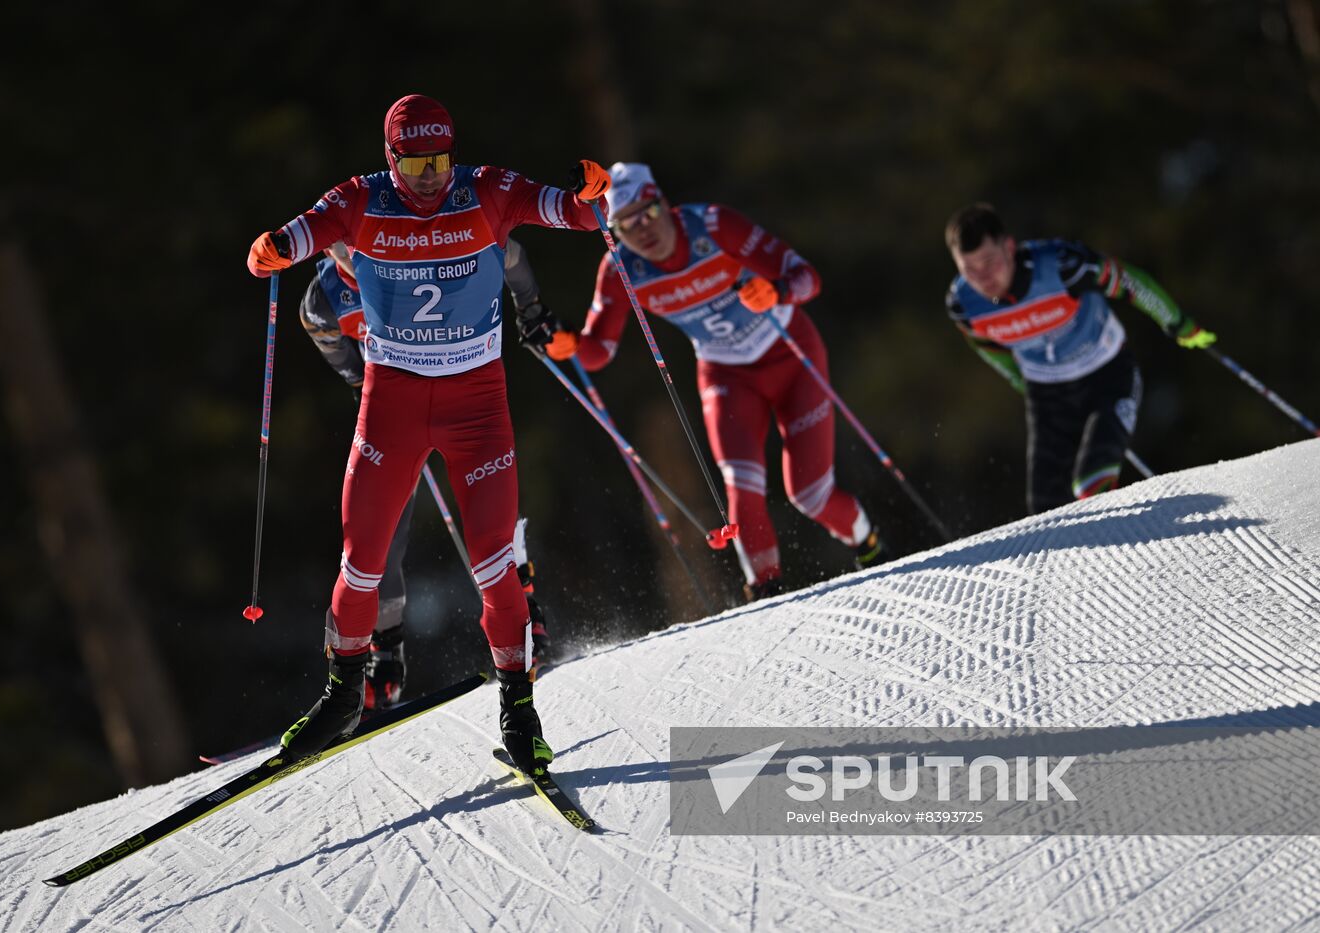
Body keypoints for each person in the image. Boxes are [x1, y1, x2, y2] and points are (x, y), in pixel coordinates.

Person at [247, 93, 609, 777]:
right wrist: (270, 250)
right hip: (393, 404)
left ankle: (520, 708)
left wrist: (598, 194)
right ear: (391, 158)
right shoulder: (361, 200)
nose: (430, 176)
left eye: (440, 159)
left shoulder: (488, 189)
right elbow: (295, 239)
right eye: (415, 163)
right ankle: (342, 694)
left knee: (496, 566)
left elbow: (578, 213)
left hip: (478, 408)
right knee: (362, 559)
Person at [569, 163, 884, 604]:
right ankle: (766, 591)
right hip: (726, 373)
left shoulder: (713, 225)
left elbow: (806, 277)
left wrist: (776, 292)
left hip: (788, 351)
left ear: (666, 205)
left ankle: (868, 544)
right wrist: (562, 343)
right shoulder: (620, 267)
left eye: (649, 212)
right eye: (626, 224)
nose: (643, 230)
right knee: (742, 489)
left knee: (810, 495)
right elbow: (597, 350)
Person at [297, 238, 557, 712]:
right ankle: (385, 652)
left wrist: (530, 306)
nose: (358, 257)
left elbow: (510, 254)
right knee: (382, 529)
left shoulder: (425, 254)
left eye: (365, 244)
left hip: (464, 397)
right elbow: (325, 335)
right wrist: (360, 381)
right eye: (345, 249)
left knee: (490, 507)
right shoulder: (325, 296)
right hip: (398, 410)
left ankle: (525, 610)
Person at [944, 202, 1216, 514]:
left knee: (1091, 482)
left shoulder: (1062, 266)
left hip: (1106, 373)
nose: (984, 278)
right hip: (1047, 394)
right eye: (970, 269)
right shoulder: (963, 305)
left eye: (989, 262)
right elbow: (986, 346)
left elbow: (1129, 282)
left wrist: (1176, 322)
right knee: (1046, 509)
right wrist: (1018, 377)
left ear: (1009, 247)